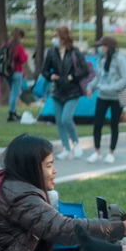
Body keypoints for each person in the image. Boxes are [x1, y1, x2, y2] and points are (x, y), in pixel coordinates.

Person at [41, 26, 89, 160]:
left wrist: (72, 76)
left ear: (63, 38)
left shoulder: (75, 52)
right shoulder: (51, 52)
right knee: (59, 122)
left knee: (66, 118)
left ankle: (76, 143)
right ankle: (66, 149)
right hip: (57, 91)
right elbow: (44, 70)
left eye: (56, 36)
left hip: (72, 91)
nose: (54, 39)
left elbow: (85, 70)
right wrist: (51, 76)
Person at [85, 36, 126, 164]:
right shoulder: (100, 60)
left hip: (116, 98)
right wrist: (90, 87)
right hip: (102, 96)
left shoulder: (119, 59)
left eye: (102, 45)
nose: (100, 48)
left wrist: (112, 87)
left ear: (108, 47)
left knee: (114, 124)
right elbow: (98, 77)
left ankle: (111, 152)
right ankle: (97, 151)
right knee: (97, 123)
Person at [4, 28, 29, 122]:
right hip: (17, 72)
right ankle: (11, 113)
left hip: (7, 73)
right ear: (21, 37)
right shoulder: (19, 47)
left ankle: (14, 111)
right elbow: (23, 59)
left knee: (13, 93)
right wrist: (26, 55)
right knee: (15, 93)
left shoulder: (6, 45)